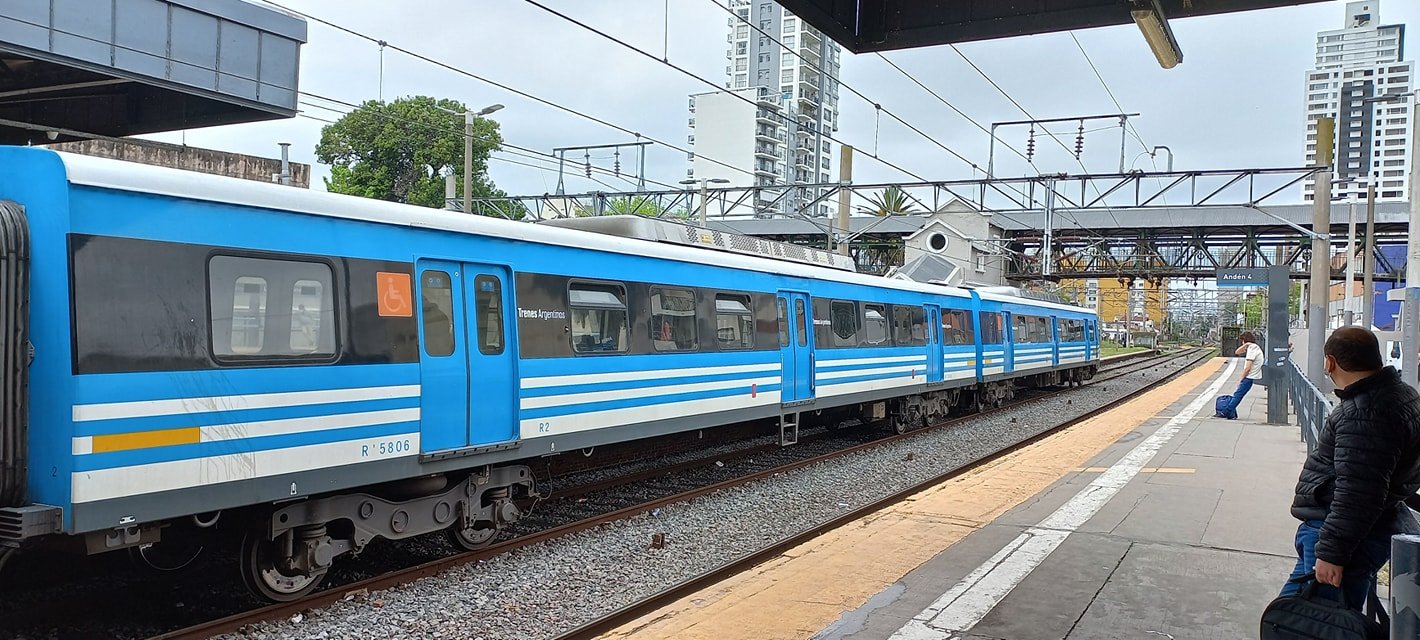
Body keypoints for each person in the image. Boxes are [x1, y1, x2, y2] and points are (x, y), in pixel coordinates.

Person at [1279, 326, 1420, 610]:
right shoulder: (1403, 395)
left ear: (1330, 362)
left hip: (1342, 535)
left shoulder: (1364, 414)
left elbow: (1358, 492)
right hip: (1361, 528)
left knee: (1316, 622)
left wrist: (1332, 553)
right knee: (1291, 616)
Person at [1219, 332, 1264, 419]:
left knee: (1238, 395)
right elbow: (1237, 352)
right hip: (1251, 376)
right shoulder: (1254, 347)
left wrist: (1241, 378)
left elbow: (1248, 368)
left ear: (1244, 340)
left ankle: (1226, 412)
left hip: (1249, 376)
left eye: (1242, 341)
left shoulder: (1252, 349)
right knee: (1238, 394)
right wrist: (1246, 344)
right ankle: (1229, 412)